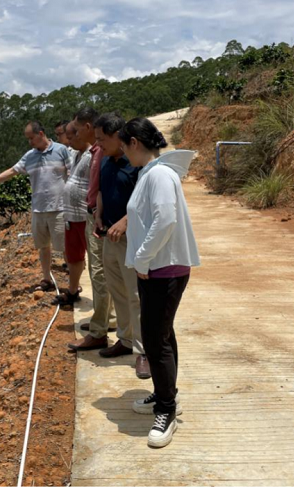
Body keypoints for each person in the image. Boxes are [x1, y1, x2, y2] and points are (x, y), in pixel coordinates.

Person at [119, 117, 200, 449]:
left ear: (135, 143)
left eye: (124, 147)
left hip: (162, 269)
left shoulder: (160, 175)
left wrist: (141, 256)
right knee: (161, 334)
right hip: (157, 268)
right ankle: (167, 395)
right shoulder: (152, 174)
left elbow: (165, 219)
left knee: (155, 339)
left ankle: (166, 410)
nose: (124, 154)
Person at [87, 113, 151, 380]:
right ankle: (125, 340)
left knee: (136, 296)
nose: (98, 144)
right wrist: (100, 215)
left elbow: (143, 201)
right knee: (118, 291)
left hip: (131, 238)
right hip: (109, 236)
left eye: (102, 138)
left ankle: (144, 352)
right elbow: (102, 191)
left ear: (118, 136)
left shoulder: (136, 163)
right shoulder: (105, 161)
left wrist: (125, 222)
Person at [0, 120, 71, 291]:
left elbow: (72, 174)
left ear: (41, 134)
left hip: (59, 208)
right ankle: (46, 279)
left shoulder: (61, 150)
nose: (30, 142)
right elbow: (12, 171)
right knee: (43, 247)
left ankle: (73, 284)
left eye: (31, 138)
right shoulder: (30, 156)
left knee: (65, 247)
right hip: (38, 209)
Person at [68, 108, 117, 351]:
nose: (73, 135)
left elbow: (103, 186)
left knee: (98, 273)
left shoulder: (100, 152)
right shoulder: (96, 151)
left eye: (76, 129)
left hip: (98, 219)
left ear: (88, 127)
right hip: (96, 216)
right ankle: (106, 319)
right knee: (103, 272)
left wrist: (98, 214)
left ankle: (99, 332)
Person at [53, 121, 91, 306]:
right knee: (73, 256)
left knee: (96, 262)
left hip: (86, 216)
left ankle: (106, 307)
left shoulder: (94, 155)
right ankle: (73, 290)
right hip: (71, 216)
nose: (67, 141)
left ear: (81, 134)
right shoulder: (75, 154)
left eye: (70, 137)